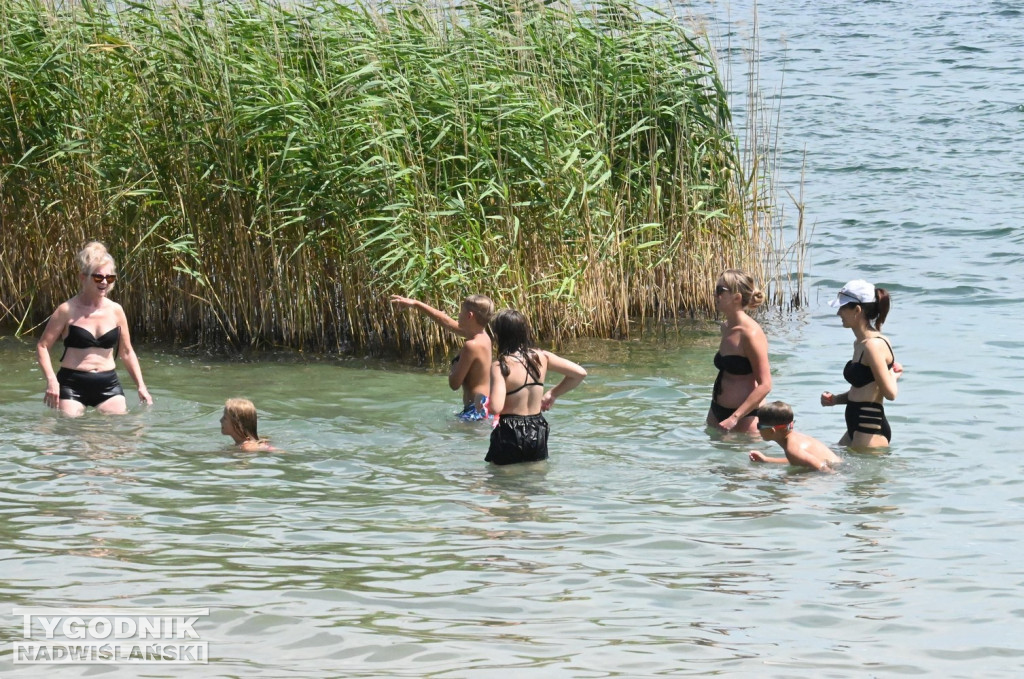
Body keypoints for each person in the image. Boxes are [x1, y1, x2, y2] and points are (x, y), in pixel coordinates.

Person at [36, 241, 152, 416]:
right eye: (98, 277)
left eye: (109, 278)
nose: (104, 282)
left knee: (122, 436)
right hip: (71, 384)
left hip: (108, 383)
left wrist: (141, 386)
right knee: (71, 435)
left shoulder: (116, 310)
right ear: (84, 278)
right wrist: (52, 381)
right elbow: (42, 346)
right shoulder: (66, 310)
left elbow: (127, 352)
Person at [485, 309, 587, 465]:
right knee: (536, 476)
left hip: (510, 430)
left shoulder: (500, 365)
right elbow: (579, 373)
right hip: (537, 428)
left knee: (502, 481)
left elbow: (495, 407)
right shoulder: (542, 357)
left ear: (499, 336)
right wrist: (553, 394)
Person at [821, 279, 902, 448]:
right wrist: (836, 400)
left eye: (842, 308)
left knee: (825, 470)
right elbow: (862, 389)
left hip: (869, 428)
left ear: (857, 310)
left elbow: (890, 394)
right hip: (857, 426)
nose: (838, 313)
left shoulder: (873, 345)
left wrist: (893, 375)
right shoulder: (860, 343)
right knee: (822, 465)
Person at [390, 293, 494, 420]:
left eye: (461, 311)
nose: (458, 315)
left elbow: (454, 384)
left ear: (469, 316)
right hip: (484, 406)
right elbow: (447, 322)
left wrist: (455, 363)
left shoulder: (471, 345)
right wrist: (416, 304)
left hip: (475, 411)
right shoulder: (483, 337)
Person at [707, 269, 772, 434]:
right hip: (717, 411)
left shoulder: (750, 333)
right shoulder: (726, 327)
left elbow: (765, 385)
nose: (716, 295)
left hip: (745, 417)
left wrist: (734, 418)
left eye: (720, 290)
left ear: (736, 297)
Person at [748, 401, 841, 472]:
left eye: (759, 426)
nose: (758, 430)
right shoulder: (796, 439)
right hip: (839, 465)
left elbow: (823, 469)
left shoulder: (792, 449)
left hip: (836, 470)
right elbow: (799, 460)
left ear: (772, 430)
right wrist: (766, 460)